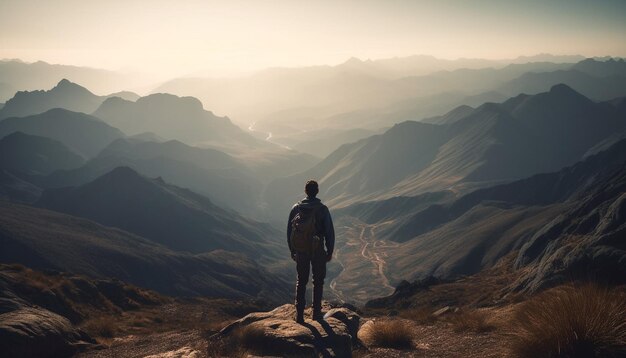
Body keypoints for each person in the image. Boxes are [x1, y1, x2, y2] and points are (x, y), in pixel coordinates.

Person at [287, 179, 335, 323]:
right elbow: (329, 232)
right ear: (317, 191)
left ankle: (300, 315)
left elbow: (290, 231)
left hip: (301, 249)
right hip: (317, 248)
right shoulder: (322, 209)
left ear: (305, 191)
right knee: (318, 281)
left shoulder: (296, 208)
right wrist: (329, 250)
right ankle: (316, 313)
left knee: (301, 281)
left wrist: (292, 249)